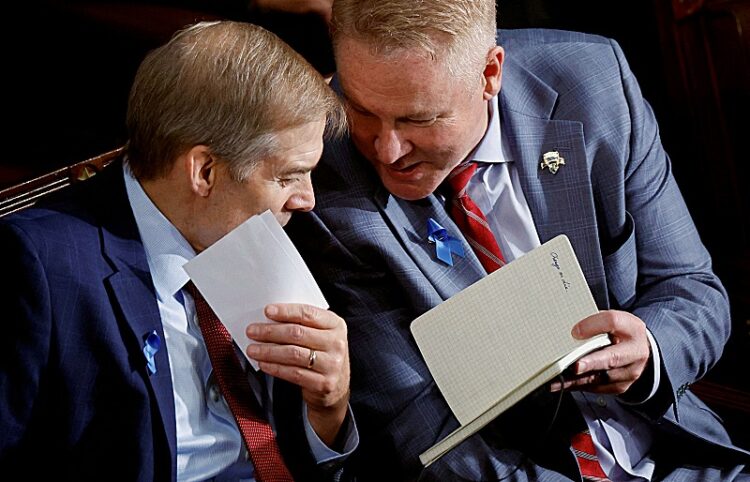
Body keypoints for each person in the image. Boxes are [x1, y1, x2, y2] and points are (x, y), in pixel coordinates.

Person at [286, 0, 750, 480]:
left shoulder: (595, 88)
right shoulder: (324, 174)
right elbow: (419, 427)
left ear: (490, 74)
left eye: (418, 120)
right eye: (361, 109)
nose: (386, 149)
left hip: (683, 456)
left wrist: (651, 352)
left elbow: (692, 290)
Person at [0, 21, 357, 481]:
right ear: (204, 171)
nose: (307, 199)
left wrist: (328, 409)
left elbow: (300, 451)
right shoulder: (39, 267)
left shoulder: (254, 234)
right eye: (289, 176)